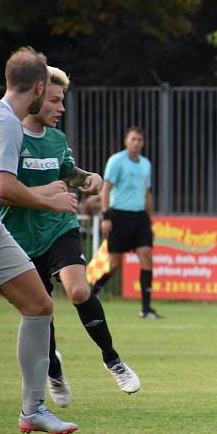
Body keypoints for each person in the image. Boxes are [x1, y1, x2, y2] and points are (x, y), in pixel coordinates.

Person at [0, 66, 141, 407]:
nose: (61, 108)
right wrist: (48, 191)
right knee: (39, 308)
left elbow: (68, 174)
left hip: (59, 227)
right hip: (18, 237)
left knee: (79, 289)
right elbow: (1, 191)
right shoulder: (7, 136)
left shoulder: (57, 139)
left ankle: (112, 359)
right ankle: (54, 369)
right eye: (55, 100)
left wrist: (88, 177)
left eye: (63, 100)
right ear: (35, 96)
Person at [0, 47, 79, 434]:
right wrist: (53, 200)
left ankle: (34, 410)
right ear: (39, 87)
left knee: (39, 303)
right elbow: (5, 187)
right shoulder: (8, 124)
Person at [91, 127, 161, 319]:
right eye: (133, 139)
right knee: (114, 263)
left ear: (143, 143)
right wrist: (106, 217)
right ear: (126, 141)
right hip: (119, 216)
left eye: (139, 139)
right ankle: (92, 291)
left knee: (146, 256)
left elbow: (147, 193)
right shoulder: (116, 161)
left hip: (140, 218)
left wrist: (149, 220)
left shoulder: (146, 164)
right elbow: (105, 190)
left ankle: (146, 309)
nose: (136, 142)